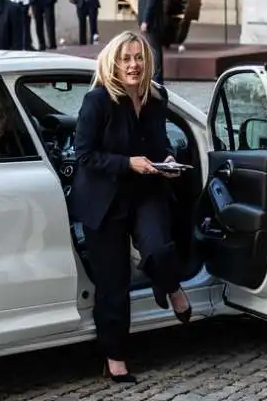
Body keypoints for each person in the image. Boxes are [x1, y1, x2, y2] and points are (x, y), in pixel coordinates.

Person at [70, 30, 191, 383]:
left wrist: (166, 158)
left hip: (145, 189)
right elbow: (84, 155)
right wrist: (128, 163)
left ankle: (171, 286)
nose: (133, 65)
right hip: (103, 198)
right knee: (114, 283)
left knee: (159, 248)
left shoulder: (156, 98)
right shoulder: (98, 101)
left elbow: (158, 141)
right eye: (126, 59)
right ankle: (115, 356)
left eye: (139, 58)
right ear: (114, 63)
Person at [137, 0, 164, 84]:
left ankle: (157, 78)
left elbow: (151, 2)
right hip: (150, 21)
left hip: (152, 22)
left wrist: (146, 20)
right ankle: (154, 76)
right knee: (152, 49)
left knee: (154, 50)